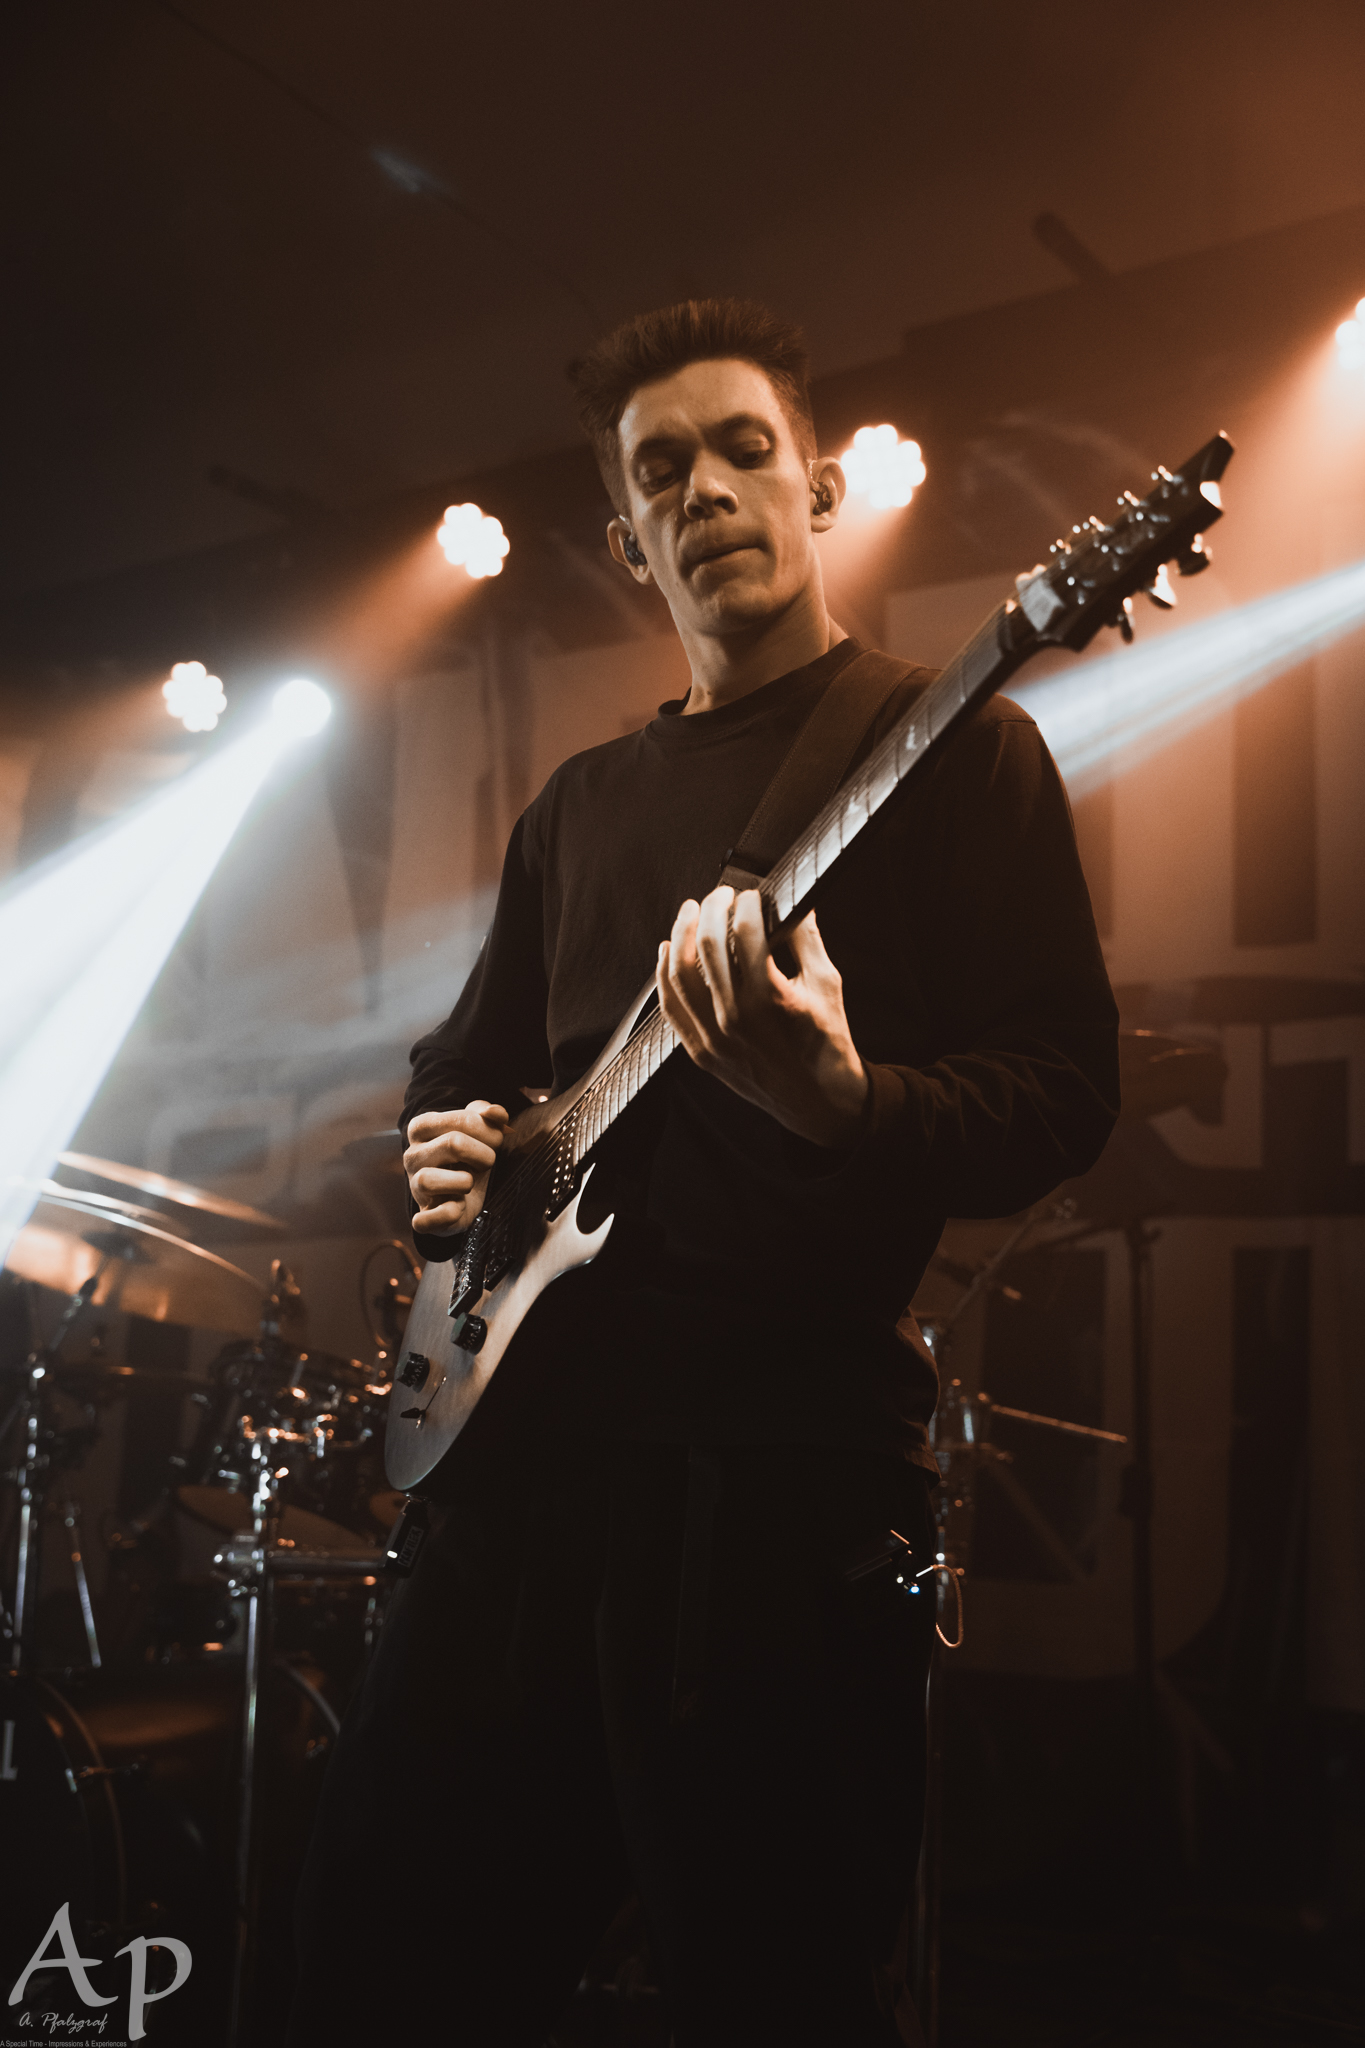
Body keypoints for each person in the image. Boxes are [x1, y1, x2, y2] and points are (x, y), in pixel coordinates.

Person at [287, 298, 1119, 2046]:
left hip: (778, 1493)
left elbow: (1061, 1098)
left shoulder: (956, 746)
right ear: (625, 539)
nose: (706, 490)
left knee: (776, 1990)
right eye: (660, 469)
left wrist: (847, 1103)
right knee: (385, 1963)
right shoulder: (577, 807)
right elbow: (466, 1064)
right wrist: (452, 1146)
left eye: (744, 449)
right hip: (517, 1483)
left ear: (817, 488)